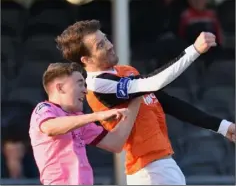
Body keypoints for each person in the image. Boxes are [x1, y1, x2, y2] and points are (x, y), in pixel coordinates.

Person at [56, 20, 235, 185]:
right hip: (149, 170)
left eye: (106, 39)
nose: (110, 46)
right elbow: (153, 82)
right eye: (100, 45)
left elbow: (169, 103)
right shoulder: (98, 85)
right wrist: (194, 51)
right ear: (86, 60)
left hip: (162, 165)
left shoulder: (125, 71)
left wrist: (222, 126)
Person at [29, 62, 142, 185]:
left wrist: (137, 95)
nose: (85, 91)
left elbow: (115, 143)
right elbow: (49, 127)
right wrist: (96, 116)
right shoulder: (44, 108)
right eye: (80, 84)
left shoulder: (79, 118)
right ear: (60, 88)